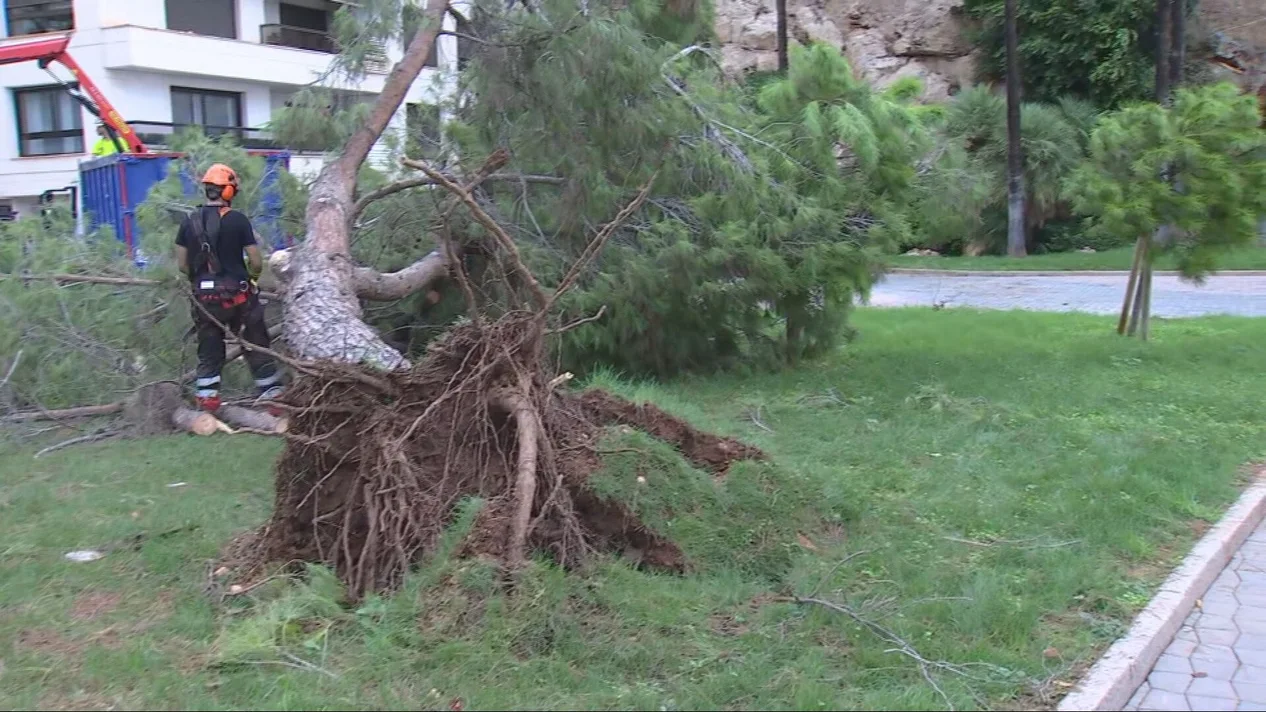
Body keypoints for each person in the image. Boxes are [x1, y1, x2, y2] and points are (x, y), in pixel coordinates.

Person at [175, 163, 283, 412]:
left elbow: (182, 264)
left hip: (205, 300)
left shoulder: (189, 222)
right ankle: (272, 396)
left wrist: (199, 279)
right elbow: (255, 261)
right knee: (255, 341)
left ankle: (208, 399)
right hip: (239, 297)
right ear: (227, 191)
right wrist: (253, 278)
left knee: (209, 346)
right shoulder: (238, 220)